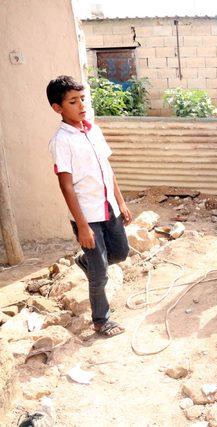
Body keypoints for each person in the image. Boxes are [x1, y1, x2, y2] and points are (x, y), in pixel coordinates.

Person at [46, 75, 131, 337]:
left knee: (121, 253)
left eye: (82, 99)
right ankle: (101, 320)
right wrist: (82, 226)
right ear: (57, 108)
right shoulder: (62, 141)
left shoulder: (93, 129)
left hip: (108, 209)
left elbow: (108, 169)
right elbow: (66, 186)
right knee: (100, 273)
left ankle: (86, 262)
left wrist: (121, 201)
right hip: (87, 216)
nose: (81, 105)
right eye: (73, 101)